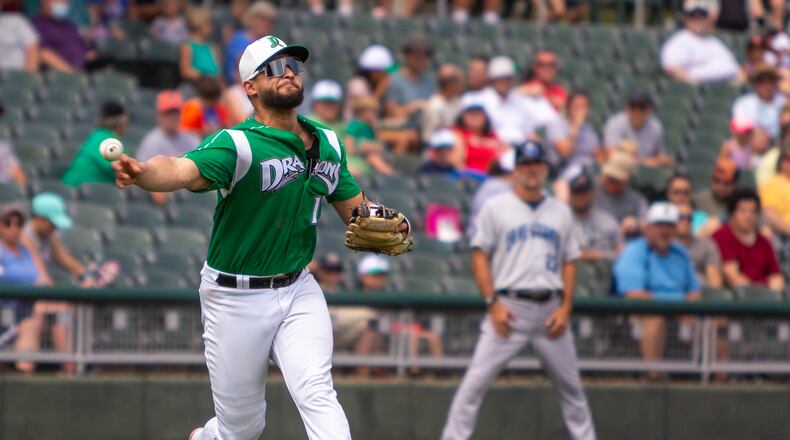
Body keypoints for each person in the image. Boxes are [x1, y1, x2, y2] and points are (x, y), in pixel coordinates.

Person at [111, 34, 411, 440]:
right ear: (250, 86)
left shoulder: (328, 143)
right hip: (234, 296)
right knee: (242, 429)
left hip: (298, 287)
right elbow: (180, 169)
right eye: (273, 67)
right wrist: (145, 173)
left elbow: (356, 210)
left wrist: (385, 220)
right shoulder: (239, 144)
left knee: (316, 390)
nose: (287, 72)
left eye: (292, 65)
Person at [441, 141, 596, 440]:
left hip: (551, 311)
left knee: (573, 389)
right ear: (516, 169)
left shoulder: (561, 212)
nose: (532, 170)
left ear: (546, 169)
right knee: (473, 384)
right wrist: (492, 303)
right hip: (509, 309)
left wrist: (565, 308)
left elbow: (570, 262)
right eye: (526, 164)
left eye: (537, 164)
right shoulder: (496, 207)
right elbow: (479, 256)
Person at [613, 202, 701, 379]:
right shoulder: (634, 251)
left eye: (670, 225)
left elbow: (695, 293)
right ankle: (653, 380)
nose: (665, 231)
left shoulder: (680, 252)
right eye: (660, 225)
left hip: (678, 312)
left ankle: (716, 378)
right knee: (654, 317)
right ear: (647, 228)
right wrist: (678, 302)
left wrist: (683, 306)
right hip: (635, 316)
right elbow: (634, 296)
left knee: (716, 319)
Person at [464, 55, 557, 141]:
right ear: (491, 79)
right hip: (491, 148)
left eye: (506, 78)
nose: (503, 82)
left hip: (521, 148)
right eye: (499, 78)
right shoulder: (477, 99)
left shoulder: (522, 99)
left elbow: (550, 119)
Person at [138, 91, 201, 206]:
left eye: (175, 112)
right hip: (166, 195)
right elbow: (144, 175)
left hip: (191, 192)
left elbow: (203, 168)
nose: (172, 117)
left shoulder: (191, 138)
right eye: (167, 113)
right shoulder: (152, 141)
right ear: (159, 115)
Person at [712, 189, 783, 291]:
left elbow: (777, 279)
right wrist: (763, 289)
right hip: (737, 301)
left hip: (766, 300)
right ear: (731, 214)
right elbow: (732, 277)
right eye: (742, 211)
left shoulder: (764, 242)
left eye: (753, 211)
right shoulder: (722, 236)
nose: (748, 216)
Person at [660, 1, 740, 85]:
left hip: (726, 86)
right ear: (686, 20)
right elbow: (672, 68)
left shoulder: (714, 42)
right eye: (694, 18)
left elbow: (734, 67)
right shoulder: (680, 40)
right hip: (700, 89)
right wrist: (695, 86)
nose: (698, 21)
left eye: (701, 18)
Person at [63, 101, 128, 188]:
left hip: (72, 188)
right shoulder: (109, 141)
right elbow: (123, 171)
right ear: (121, 122)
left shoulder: (96, 135)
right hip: (80, 190)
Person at [566, 166, 620, 260]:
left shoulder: (608, 221)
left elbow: (620, 251)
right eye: (577, 192)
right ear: (570, 194)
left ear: (593, 192)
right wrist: (594, 255)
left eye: (584, 192)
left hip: (603, 271)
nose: (581, 197)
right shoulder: (561, 220)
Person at [603, 93, 671, 166]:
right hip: (620, 169)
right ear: (626, 109)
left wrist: (663, 160)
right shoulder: (616, 123)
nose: (637, 112)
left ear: (649, 110)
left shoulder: (655, 127)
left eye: (642, 108)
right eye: (633, 107)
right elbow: (610, 154)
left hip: (646, 171)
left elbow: (659, 156)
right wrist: (645, 162)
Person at [385, 34, 435, 128]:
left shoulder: (429, 80)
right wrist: (415, 106)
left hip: (426, 129)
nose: (421, 60)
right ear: (407, 56)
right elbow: (392, 113)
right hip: (404, 130)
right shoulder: (395, 79)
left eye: (425, 56)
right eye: (417, 56)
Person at [546, 91, 600, 173]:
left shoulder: (587, 126)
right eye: (577, 106)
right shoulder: (557, 124)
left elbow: (596, 152)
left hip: (588, 168)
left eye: (584, 107)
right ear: (569, 107)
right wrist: (575, 126)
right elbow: (565, 152)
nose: (580, 110)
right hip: (564, 169)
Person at [593, 153, 647, 235]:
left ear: (628, 180)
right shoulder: (588, 190)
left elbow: (648, 225)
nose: (611, 182)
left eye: (616, 180)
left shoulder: (635, 200)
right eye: (609, 177)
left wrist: (636, 224)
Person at [223, 1, 276, 85]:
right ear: (252, 19)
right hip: (240, 87)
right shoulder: (239, 39)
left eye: (269, 21)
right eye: (262, 19)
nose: (266, 24)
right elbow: (239, 73)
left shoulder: (269, 43)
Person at [32, 0, 92, 72]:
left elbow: (88, 53)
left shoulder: (69, 25)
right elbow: (44, 54)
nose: (62, 2)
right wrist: (74, 75)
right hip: (61, 77)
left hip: (86, 71)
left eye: (64, 1)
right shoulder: (36, 25)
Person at [452, 97, 505, 175]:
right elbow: (457, 163)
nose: (474, 117)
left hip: (493, 178)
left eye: (478, 113)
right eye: (470, 113)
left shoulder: (492, 135)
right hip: (468, 179)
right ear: (462, 116)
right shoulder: (456, 133)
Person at [344, 96, 395, 176]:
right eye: (371, 112)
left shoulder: (370, 127)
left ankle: (389, 171)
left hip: (372, 153)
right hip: (360, 155)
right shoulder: (354, 126)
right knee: (374, 158)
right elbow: (349, 146)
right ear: (361, 112)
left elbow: (375, 141)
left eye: (375, 112)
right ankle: (390, 174)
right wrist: (363, 147)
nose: (374, 115)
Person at [675, 202, 722, 287]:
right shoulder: (664, 246)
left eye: (689, 218)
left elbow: (715, 281)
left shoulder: (706, 244)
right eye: (680, 217)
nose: (685, 221)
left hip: (703, 294)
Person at [732, 65, 786, 140]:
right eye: (761, 80)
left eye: (771, 80)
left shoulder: (784, 102)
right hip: (752, 147)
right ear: (755, 83)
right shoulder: (743, 103)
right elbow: (741, 129)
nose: (766, 85)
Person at [422, 64, 464, 141]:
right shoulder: (434, 106)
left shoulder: (458, 101)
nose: (461, 85)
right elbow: (429, 138)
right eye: (457, 82)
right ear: (449, 84)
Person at [179, 7, 220, 81]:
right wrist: (204, 77)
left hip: (212, 87)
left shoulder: (212, 48)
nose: (211, 27)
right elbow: (185, 72)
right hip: (195, 87)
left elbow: (217, 73)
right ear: (198, 24)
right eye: (208, 23)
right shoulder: (187, 46)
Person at [759, 149, 790, 237]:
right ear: (781, 163)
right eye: (787, 159)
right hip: (784, 237)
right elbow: (769, 213)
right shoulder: (774, 184)